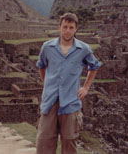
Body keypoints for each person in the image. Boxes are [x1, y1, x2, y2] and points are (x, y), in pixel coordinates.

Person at [36, 12, 101, 154]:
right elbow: (41, 66)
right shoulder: (47, 47)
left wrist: (86, 87)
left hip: (71, 102)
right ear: (59, 27)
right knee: (44, 142)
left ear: (76, 29)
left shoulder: (83, 49)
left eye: (71, 27)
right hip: (50, 102)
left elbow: (94, 66)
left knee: (69, 143)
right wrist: (46, 84)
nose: (67, 30)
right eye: (65, 27)